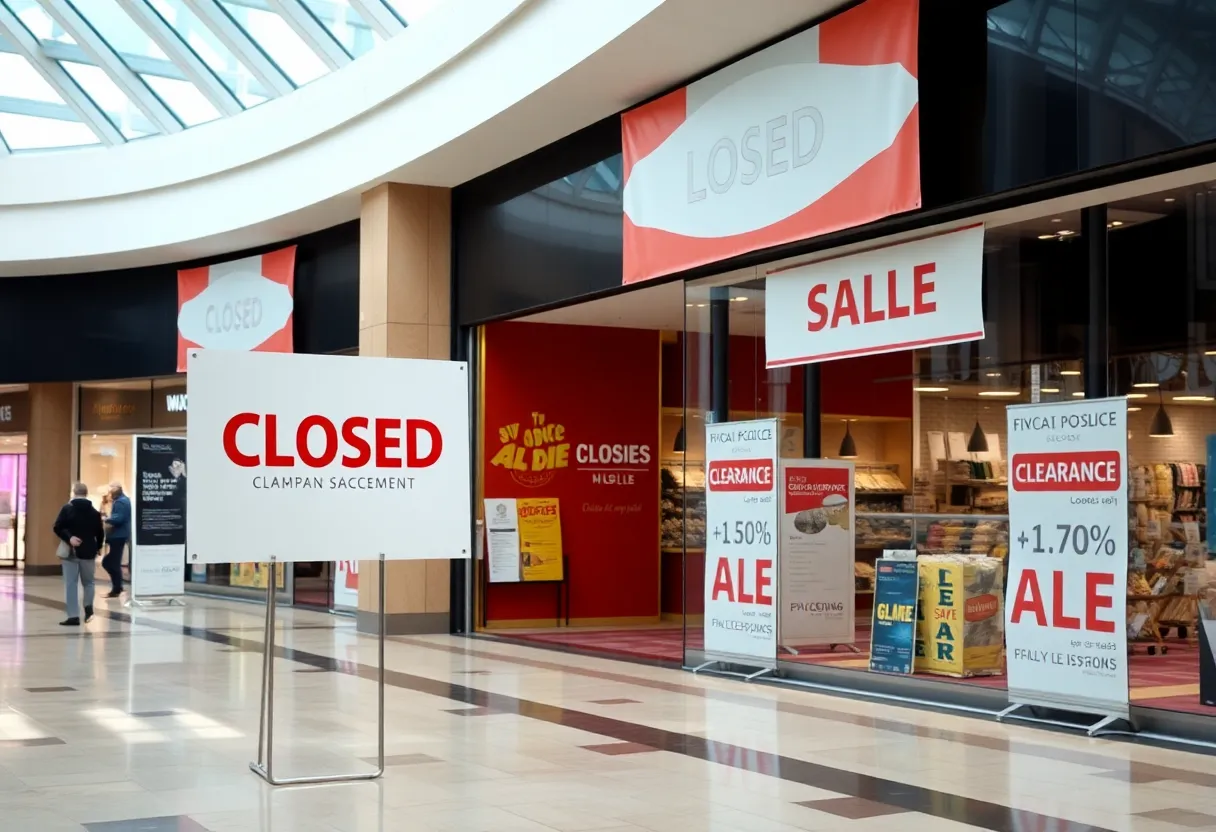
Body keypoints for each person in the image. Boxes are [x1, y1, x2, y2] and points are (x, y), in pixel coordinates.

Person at [53, 482, 105, 626]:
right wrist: (98, 547)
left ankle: (73, 616)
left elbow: (57, 527)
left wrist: (69, 538)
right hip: (88, 551)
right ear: (86, 493)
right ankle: (88, 608)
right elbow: (100, 533)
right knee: (89, 582)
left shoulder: (67, 509)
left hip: (71, 551)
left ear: (74, 493)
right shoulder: (94, 512)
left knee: (71, 584)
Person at [101, 482, 131, 598]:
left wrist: (106, 519)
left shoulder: (121, 502)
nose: (109, 493)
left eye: (110, 490)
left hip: (118, 535)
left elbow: (119, 518)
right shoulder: (123, 500)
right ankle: (117, 587)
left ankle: (117, 588)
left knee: (110, 562)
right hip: (118, 535)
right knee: (113, 562)